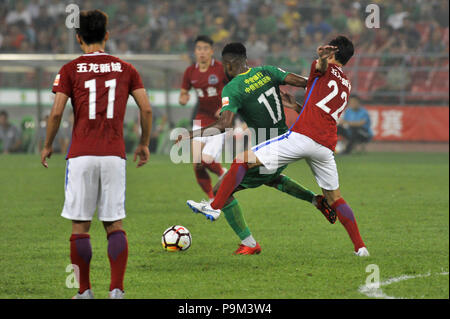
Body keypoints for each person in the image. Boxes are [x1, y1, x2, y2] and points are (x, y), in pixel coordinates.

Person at [188, 36, 370, 257]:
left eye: (326, 51)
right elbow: (318, 104)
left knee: (242, 162)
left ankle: (216, 209)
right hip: (325, 146)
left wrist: (321, 59)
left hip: (300, 138)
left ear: (331, 54)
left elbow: (319, 68)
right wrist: (297, 107)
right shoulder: (346, 84)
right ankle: (361, 248)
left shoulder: (319, 67)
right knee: (335, 198)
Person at [40, 9, 153, 299]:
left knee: (81, 225)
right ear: (107, 35)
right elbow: (146, 108)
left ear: (78, 38)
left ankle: (84, 291)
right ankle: (116, 290)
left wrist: (48, 144)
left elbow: (56, 113)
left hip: (81, 154)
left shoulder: (69, 69)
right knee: (114, 223)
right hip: (114, 154)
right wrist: (143, 142)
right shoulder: (126, 68)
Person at [179, 35, 228, 202]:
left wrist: (225, 107)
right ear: (195, 51)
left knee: (206, 159)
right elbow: (184, 92)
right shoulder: (190, 71)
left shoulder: (221, 69)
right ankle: (211, 198)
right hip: (201, 117)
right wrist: (183, 98)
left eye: (205, 49)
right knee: (196, 163)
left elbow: (234, 89)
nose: (202, 52)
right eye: (199, 49)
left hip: (220, 121)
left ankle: (223, 173)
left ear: (212, 51)